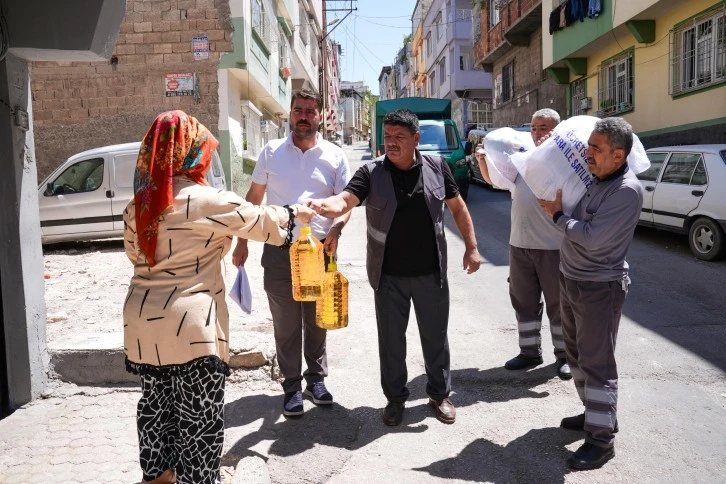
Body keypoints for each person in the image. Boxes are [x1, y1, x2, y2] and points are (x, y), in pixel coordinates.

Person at [122, 111, 315, 484]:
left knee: (156, 411)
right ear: (190, 153)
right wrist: (297, 213)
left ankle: (158, 477)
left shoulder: (138, 205)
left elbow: (135, 254)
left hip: (144, 325)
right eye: (203, 151)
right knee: (199, 423)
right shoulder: (206, 201)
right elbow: (261, 222)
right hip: (191, 328)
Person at [307, 108, 480, 426]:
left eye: (399, 136)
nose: (391, 142)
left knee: (435, 338)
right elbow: (345, 200)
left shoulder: (437, 167)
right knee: (391, 342)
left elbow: (457, 207)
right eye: (387, 136)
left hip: (431, 274)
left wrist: (471, 247)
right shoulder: (371, 172)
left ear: (416, 138)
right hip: (388, 276)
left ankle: (439, 394)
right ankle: (395, 399)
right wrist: (324, 207)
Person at [231, 89, 351, 417]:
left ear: (320, 116)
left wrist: (337, 230)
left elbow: (346, 203)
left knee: (317, 320)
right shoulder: (271, 152)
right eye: (298, 110)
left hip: (319, 251)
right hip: (278, 250)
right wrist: (242, 240)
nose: (303, 116)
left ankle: (316, 381)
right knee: (285, 324)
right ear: (290, 113)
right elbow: (254, 198)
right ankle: (292, 387)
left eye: (310, 111)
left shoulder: (335, 155)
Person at [537, 117, 644, 470]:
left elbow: (592, 237)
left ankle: (601, 440)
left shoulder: (625, 190)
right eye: (588, 146)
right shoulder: (597, 179)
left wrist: (558, 217)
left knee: (597, 364)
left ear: (618, 155)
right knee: (577, 355)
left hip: (599, 287)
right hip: (571, 279)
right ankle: (595, 413)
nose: (588, 154)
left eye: (595, 149)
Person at [474, 109, 570, 379]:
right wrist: (483, 161)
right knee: (523, 301)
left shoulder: (565, 164)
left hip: (553, 248)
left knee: (560, 304)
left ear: (556, 132)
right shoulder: (523, 159)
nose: (538, 133)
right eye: (534, 128)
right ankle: (529, 352)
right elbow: (496, 181)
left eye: (544, 128)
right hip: (520, 245)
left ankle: (565, 355)